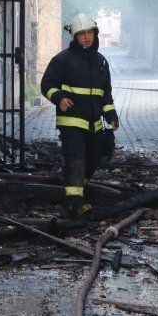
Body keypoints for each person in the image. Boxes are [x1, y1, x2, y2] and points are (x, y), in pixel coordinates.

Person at [41, 14, 119, 216]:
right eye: (82, 33)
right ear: (74, 37)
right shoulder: (62, 60)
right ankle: (74, 202)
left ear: (95, 34)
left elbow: (105, 93)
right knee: (76, 158)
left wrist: (112, 116)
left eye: (90, 32)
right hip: (71, 121)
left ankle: (75, 187)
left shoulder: (101, 62)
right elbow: (47, 85)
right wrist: (59, 98)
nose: (87, 37)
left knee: (94, 158)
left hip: (94, 123)